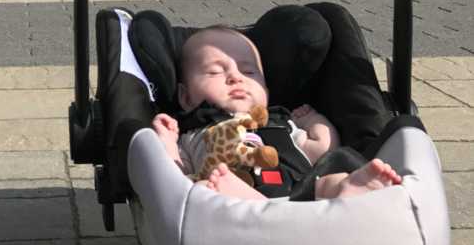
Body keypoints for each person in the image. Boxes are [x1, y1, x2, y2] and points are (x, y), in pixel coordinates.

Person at [151, 27, 402, 203]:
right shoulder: (193, 133)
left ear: (266, 92)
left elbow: (323, 149)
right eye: (216, 72)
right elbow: (177, 171)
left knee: (330, 178)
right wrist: (168, 142)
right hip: (229, 199)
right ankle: (247, 198)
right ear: (185, 97)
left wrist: (313, 121)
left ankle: (348, 190)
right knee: (202, 190)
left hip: (299, 195)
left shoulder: (283, 123)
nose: (236, 77)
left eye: (249, 72)